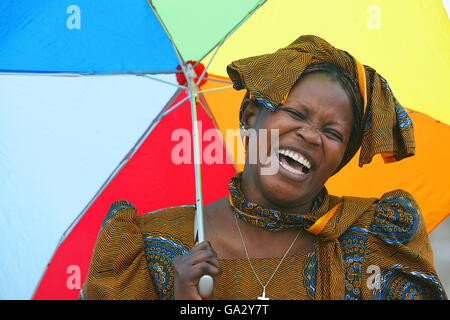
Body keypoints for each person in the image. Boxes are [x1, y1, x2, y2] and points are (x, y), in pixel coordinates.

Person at [79, 35, 447, 300]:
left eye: (332, 132)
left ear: (342, 159)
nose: (310, 135)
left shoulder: (370, 243)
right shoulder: (148, 248)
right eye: (295, 113)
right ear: (250, 117)